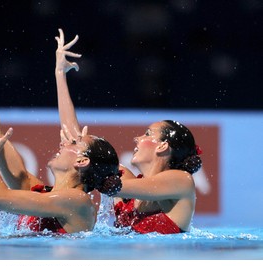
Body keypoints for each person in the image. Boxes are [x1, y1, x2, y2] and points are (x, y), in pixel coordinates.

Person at [0, 23, 122, 234]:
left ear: (82, 161)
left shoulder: (79, 201)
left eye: (73, 143)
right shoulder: (40, 191)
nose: (64, 140)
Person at [54, 28, 202, 234]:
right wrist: (60, 74)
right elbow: (77, 143)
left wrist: (92, 166)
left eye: (148, 134)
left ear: (163, 146)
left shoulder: (181, 181)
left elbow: (113, 185)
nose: (137, 138)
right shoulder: (128, 182)